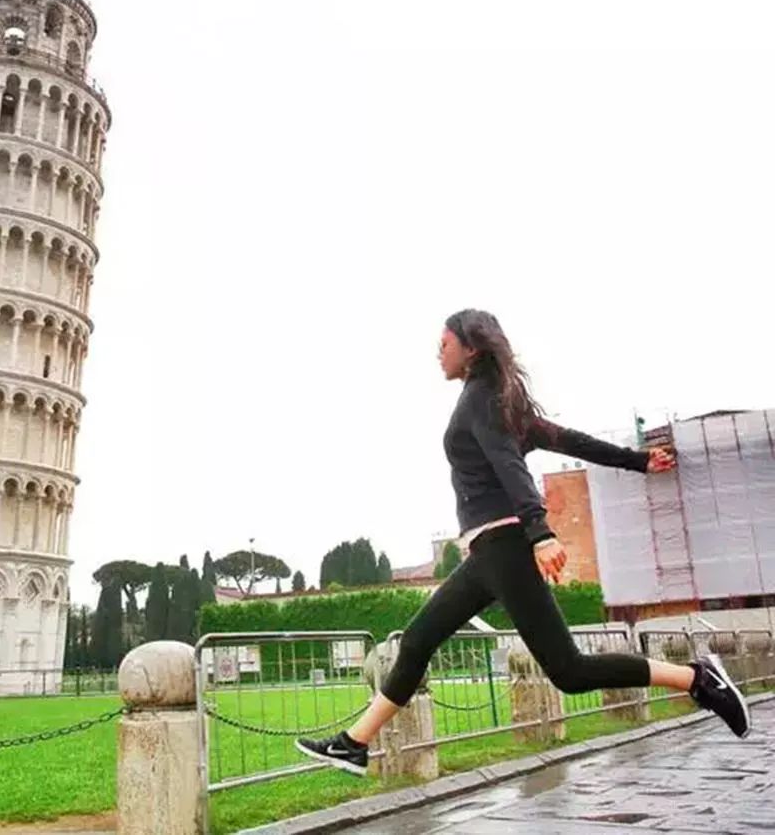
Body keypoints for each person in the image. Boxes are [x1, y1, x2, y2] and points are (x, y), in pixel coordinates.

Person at [296, 309, 750, 777]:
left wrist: (541, 531)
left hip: (506, 545)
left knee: (568, 672)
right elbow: (567, 439)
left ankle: (697, 678)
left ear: (471, 349)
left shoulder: (482, 402)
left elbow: (510, 466)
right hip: (487, 553)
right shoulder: (499, 401)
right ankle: (354, 744)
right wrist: (636, 460)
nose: (439, 353)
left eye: (444, 344)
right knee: (415, 641)